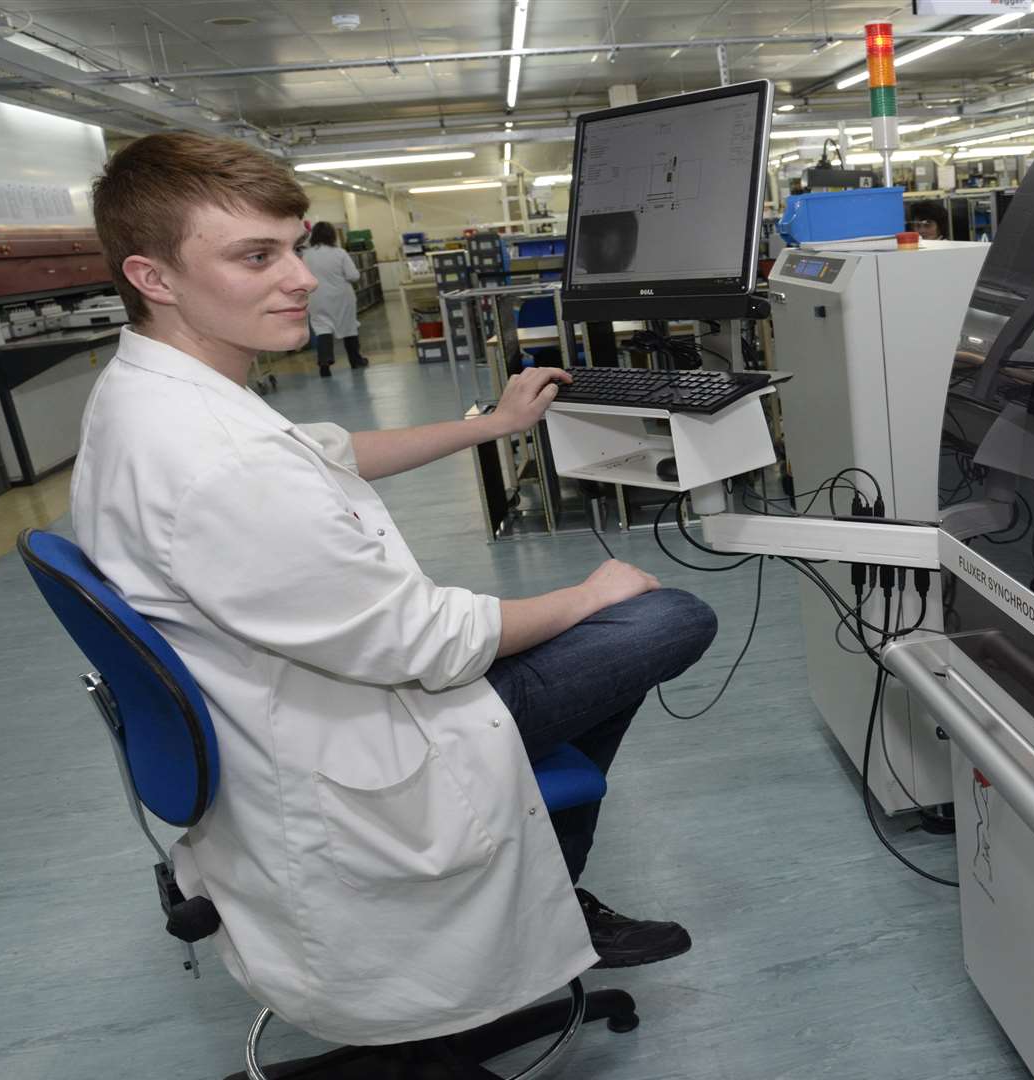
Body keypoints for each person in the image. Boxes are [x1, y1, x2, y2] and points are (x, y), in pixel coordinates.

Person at [73, 132, 716, 1051]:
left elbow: (325, 453)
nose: (299, 278)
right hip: (349, 740)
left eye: (295, 246)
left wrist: (491, 426)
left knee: (592, 646)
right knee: (665, 616)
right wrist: (587, 594)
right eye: (257, 257)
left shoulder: (152, 390)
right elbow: (426, 645)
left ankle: (551, 863)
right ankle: (552, 875)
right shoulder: (219, 465)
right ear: (156, 276)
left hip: (275, 703)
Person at [301, 220, 366, 375]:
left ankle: (324, 364)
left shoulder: (306, 255)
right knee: (349, 327)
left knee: (322, 328)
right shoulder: (339, 253)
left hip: (316, 297)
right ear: (332, 235)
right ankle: (355, 361)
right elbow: (353, 275)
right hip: (341, 297)